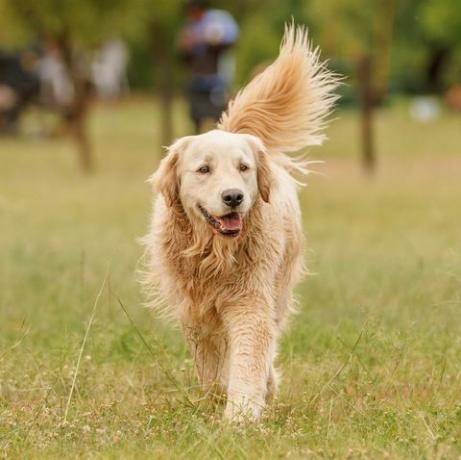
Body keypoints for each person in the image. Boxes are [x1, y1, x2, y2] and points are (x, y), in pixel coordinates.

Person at [178, 0, 239, 133]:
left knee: (219, 118)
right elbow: (184, 55)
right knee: (196, 118)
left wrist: (203, 40)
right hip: (197, 81)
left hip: (215, 81)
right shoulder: (190, 27)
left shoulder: (217, 22)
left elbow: (228, 42)